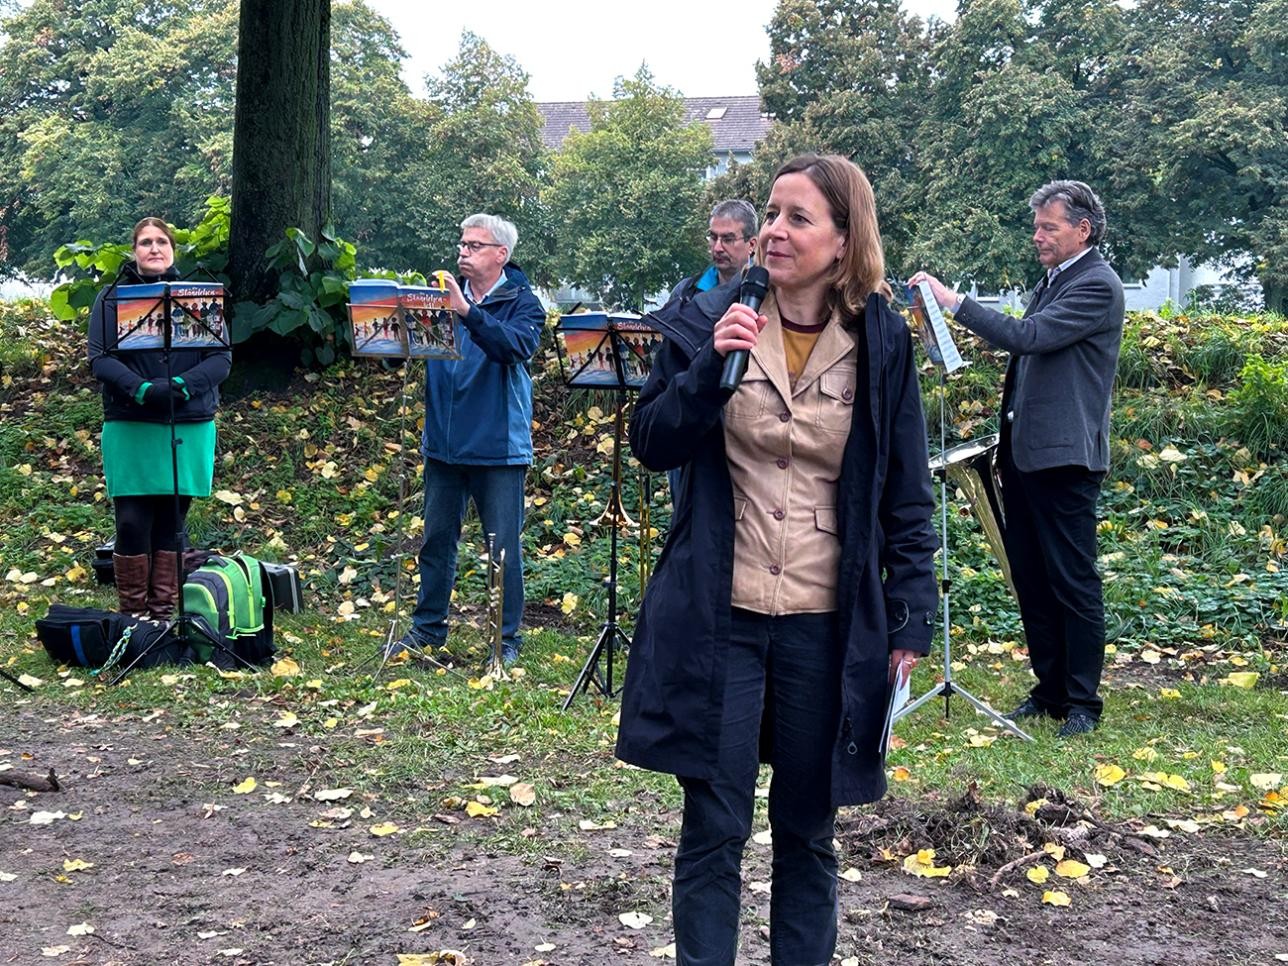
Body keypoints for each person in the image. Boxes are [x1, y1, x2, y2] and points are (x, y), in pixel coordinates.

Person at [617, 155, 939, 965]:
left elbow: (906, 493)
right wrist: (703, 373)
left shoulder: (881, 340)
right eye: (771, 213)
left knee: (807, 828)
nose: (774, 231)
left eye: (799, 218)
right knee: (714, 826)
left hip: (823, 624)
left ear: (843, 239)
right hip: (718, 615)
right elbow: (651, 443)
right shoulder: (705, 319)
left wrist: (909, 615)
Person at [910, 179, 1125, 739]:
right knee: (1031, 577)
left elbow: (1027, 336)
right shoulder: (1055, 280)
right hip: (1028, 456)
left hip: (1065, 460)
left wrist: (955, 303)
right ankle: (1050, 689)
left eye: (1049, 227)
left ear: (1083, 229)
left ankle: (1082, 701)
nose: (1038, 237)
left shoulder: (1096, 284)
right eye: (1037, 227)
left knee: (1071, 579)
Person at [394, 214, 546, 665]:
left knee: (502, 547)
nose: (463, 251)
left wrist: (467, 311)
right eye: (462, 243)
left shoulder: (524, 302)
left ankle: (506, 640)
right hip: (443, 443)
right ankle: (427, 629)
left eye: (475, 245)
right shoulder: (438, 297)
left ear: (501, 254)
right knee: (436, 540)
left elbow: (514, 347)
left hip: (497, 447)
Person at [88, 217, 231, 620]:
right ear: (134, 251)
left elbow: (222, 358)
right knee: (132, 521)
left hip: (188, 420)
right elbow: (100, 358)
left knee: (172, 520)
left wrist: (185, 385)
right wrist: (141, 389)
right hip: (132, 420)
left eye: (162, 241)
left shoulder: (199, 298)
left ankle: (162, 614)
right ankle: (133, 617)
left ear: (172, 249)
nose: (154, 248)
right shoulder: (112, 297)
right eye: (145, 242)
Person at [667, 199, 759, 303]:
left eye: (728, 239)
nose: (717, 248)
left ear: (752, 244)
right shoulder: (685, 293)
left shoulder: (769, 294)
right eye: (713, 237)